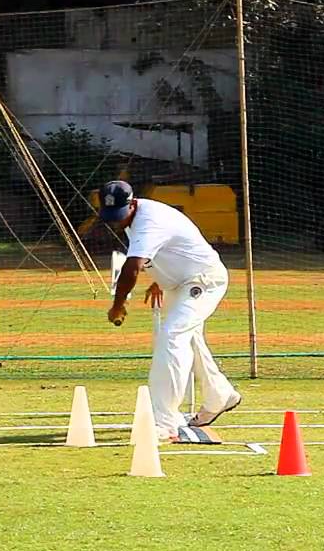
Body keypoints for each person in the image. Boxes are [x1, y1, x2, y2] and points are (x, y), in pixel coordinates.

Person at [100, 180, 242, 442]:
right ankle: (219, 395)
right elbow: (169, 250)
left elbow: (132, 267)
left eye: (120, 214)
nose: (117, 221)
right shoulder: (135, 218)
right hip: (180, 283)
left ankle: (165, 422)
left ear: (132, 204)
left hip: (203, 280)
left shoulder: (149, 220)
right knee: (189, 339)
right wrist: (160, 279)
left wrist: (118, 305)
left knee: (172, 336)